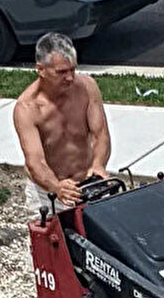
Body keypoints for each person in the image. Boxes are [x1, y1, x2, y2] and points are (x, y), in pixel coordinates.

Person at [13, 33, 111, 218]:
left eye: (73, 70)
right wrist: (56, 187)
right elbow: (35, 161)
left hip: (89, 183)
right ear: (40, 69)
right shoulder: (27, 108)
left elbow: (100, 134)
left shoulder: (87, 87)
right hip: (48, 191)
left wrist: (98, 165)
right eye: (61, 72)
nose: (70, 78)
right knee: (50, 245)